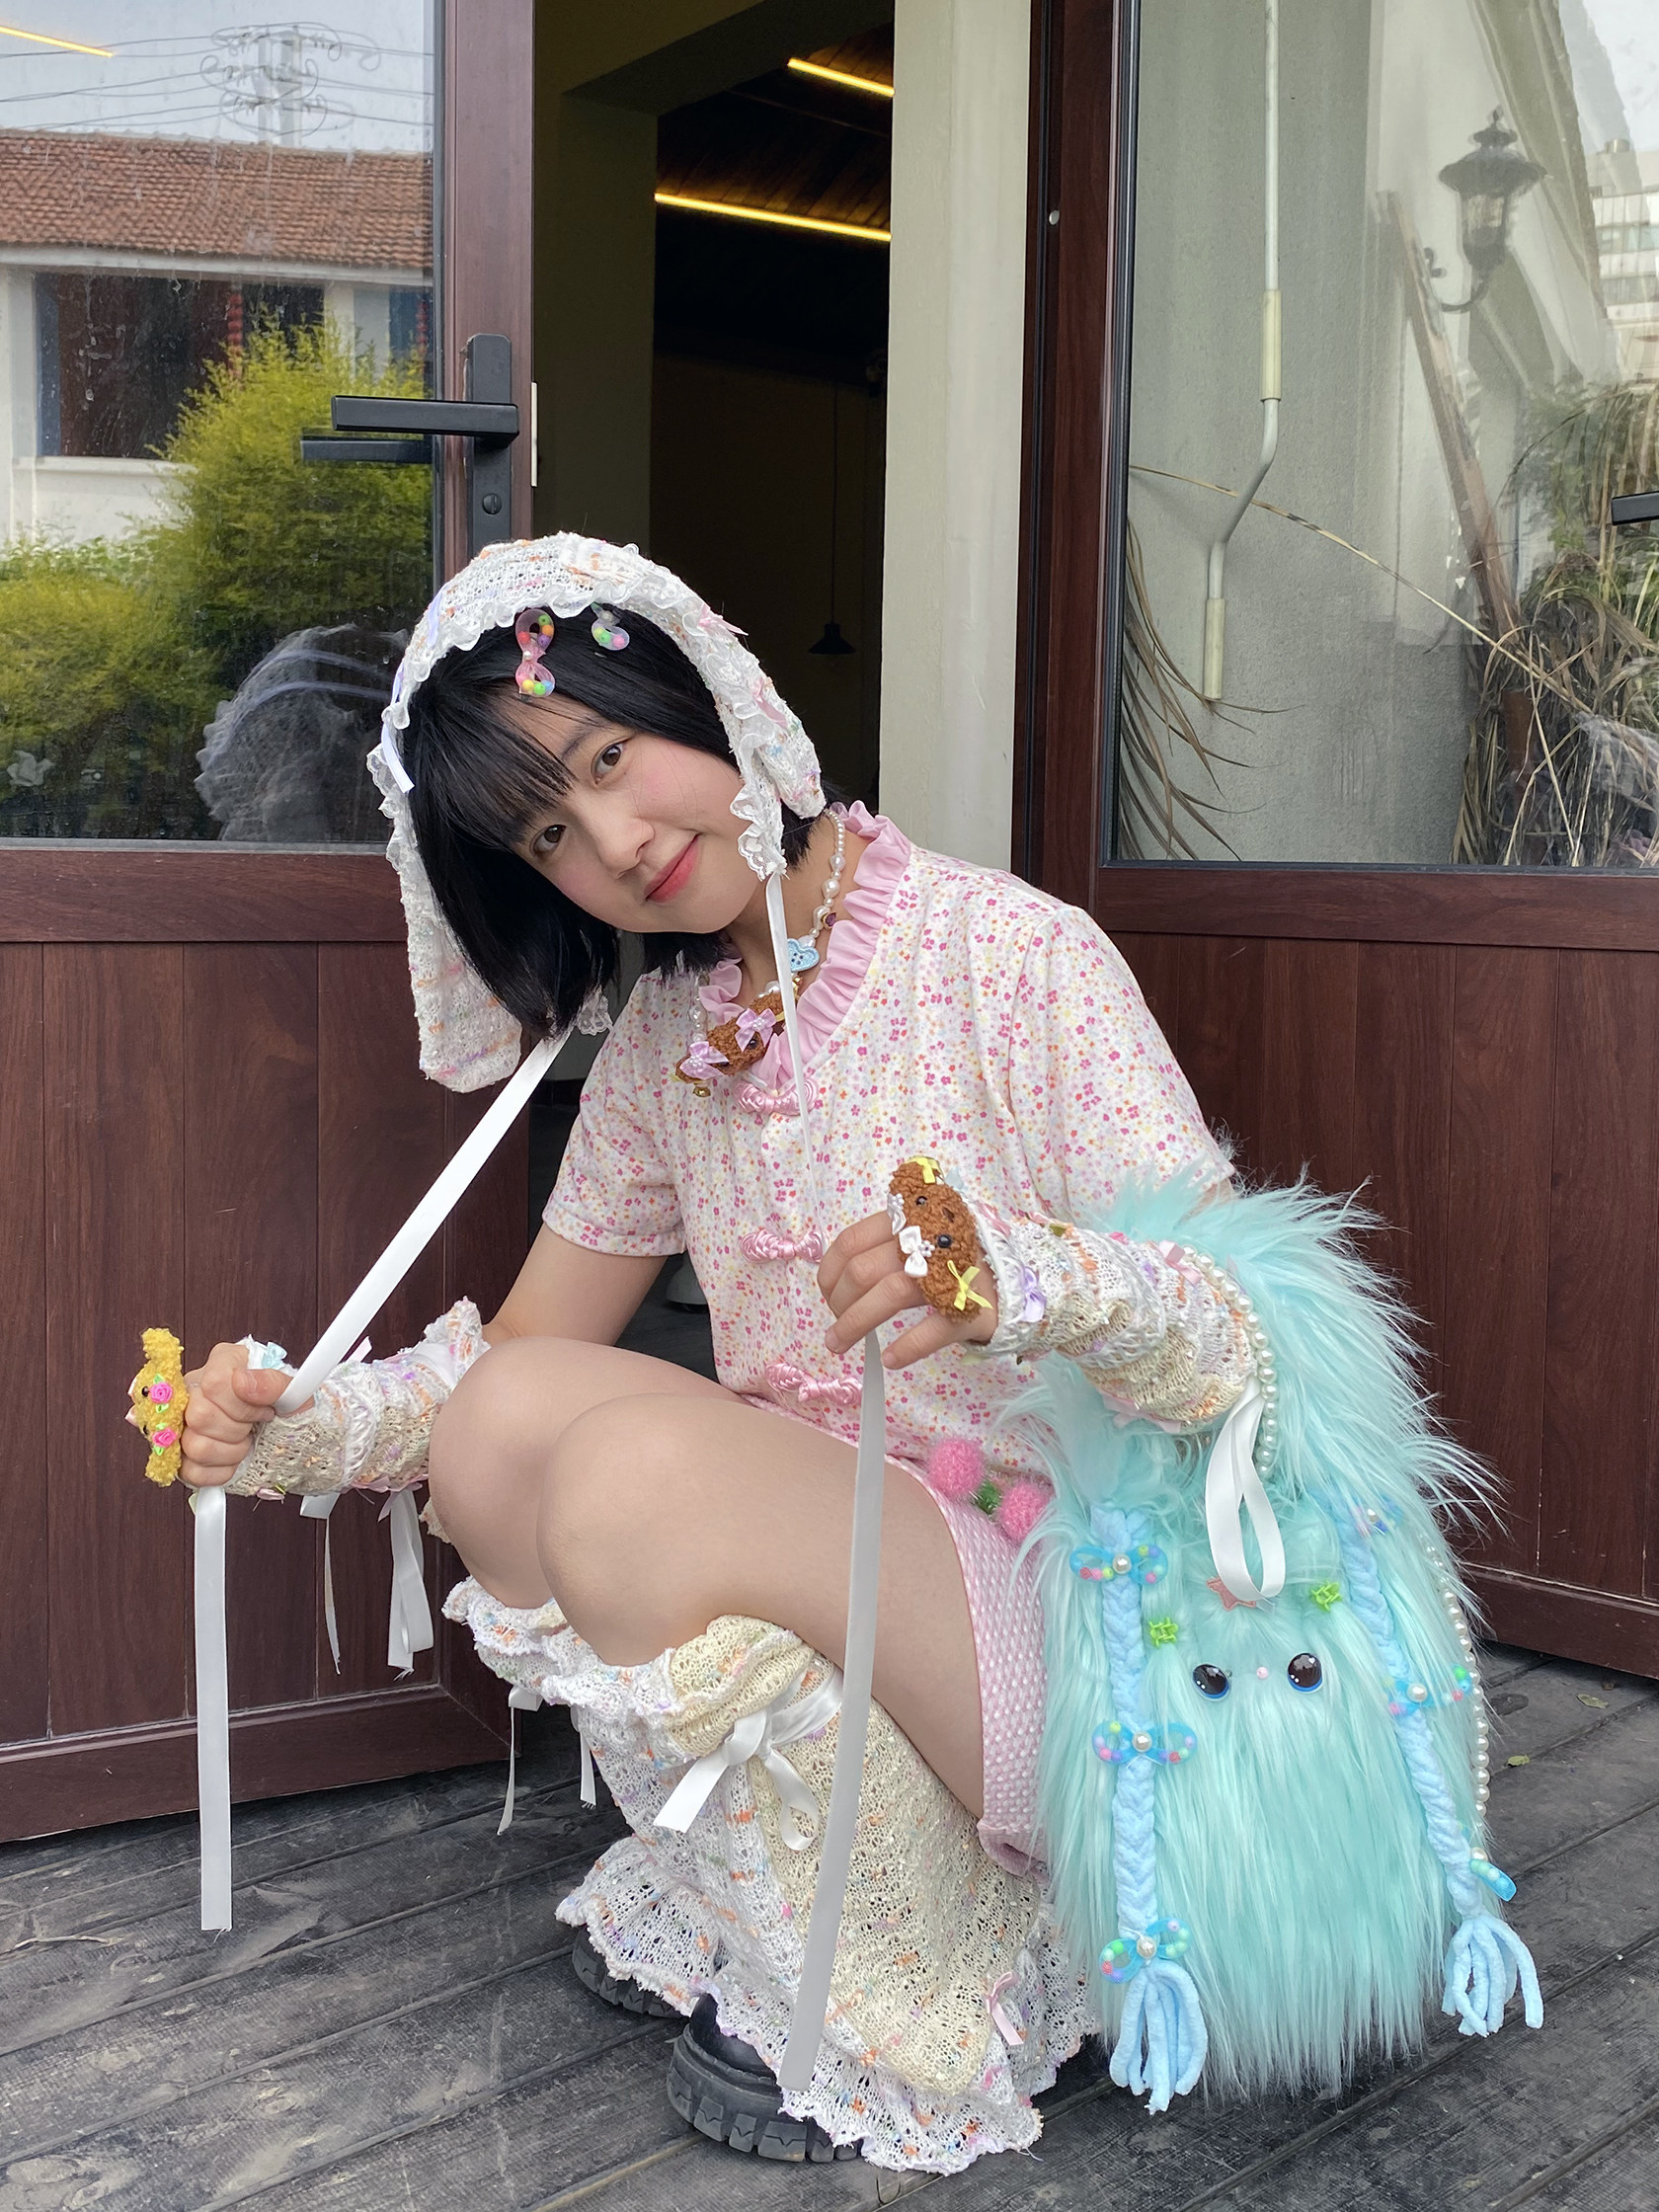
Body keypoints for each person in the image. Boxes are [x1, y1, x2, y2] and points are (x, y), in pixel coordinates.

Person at [173, 535, 1539, 2176]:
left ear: (717, 698)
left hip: (1076, 1609)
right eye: (548, 835)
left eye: (608, 759)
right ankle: (765, 1900)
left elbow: (1249, 1346)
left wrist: (1011, 1276)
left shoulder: (1013, 956)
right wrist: (300, 1424)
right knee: (505, 1428)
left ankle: (911, 1970)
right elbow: (520, 1357)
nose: (617, 842)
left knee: (624, 1480)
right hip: (862, 1560)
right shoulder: (669, 1041)